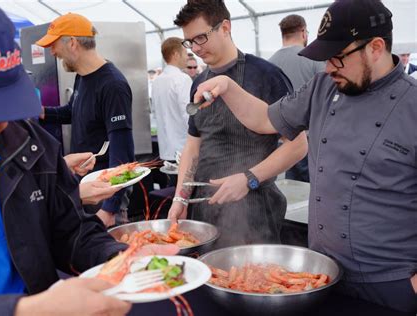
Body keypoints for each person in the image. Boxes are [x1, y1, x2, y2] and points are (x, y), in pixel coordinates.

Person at [0, 1, 177, 315]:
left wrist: (118, 256)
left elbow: (70, 229)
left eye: (0, 107)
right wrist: (23, 311)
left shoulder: (30, 145)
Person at [189, 0, 417, 312]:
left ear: (376, 47)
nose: (328, 68)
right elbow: (265, 119)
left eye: (337, 58)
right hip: (319, 274)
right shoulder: (323, 87)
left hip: (389, 284)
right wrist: (228, 86)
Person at [167, 0, 308, 247]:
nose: (195, 49)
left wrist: (249, 178)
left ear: (225, 28)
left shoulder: (266, 75)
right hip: (205, 207)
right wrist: (180, 197)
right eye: (189, 42)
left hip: (255, 208)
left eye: (201, 38)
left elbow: (298, 146)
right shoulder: (198, 82)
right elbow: (193, 146)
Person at [36, 13, 134, 227]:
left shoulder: (112, 85)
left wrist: (110, 208)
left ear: (72, 43)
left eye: (54, 45)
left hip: (104, 193)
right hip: (83, 184)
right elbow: (72, 111)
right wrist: (41, 111)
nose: (52, 52)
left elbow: (123, 152)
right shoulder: (83, 76)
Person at [269, 14, 326, 183]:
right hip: (312, 140)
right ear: (303, 32)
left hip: (282, 141)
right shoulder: (315, 59)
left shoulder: (269, 63)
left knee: (292, 188)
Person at [151, 37, 192, 162]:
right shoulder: (182, 79)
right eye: (185, 53)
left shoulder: (157, 81)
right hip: (184, 149)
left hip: (165, 150)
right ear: (175, 54)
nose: (187, 57)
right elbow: (189, 114)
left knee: (172, 181)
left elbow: (155, 112)